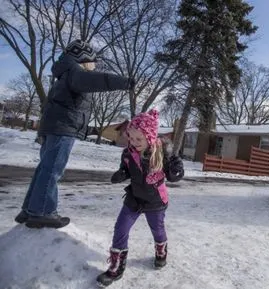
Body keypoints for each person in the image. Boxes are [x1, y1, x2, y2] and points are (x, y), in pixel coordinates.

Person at [15, 40, 135, 229]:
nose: (93, 66)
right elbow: (97, 80)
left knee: (44, 168)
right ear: (83, 59)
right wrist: (124, 82)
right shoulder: (76, 72)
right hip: (63, 128)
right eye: (92, 62)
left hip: (54, 126)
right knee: (53, 170)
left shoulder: (65, 74)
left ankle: (29, 209)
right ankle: (43, 212)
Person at [96, 109, 184, 287]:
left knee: (157, 230)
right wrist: (121, 174)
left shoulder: (162, 154)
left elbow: (173, 177)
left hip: (155, 201)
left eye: (139, 139)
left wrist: (177, 170)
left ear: (150, 138)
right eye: (131, 137)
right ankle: (116, 266)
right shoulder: (128, 153)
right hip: (134, 198)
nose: (134, 142)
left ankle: (161, 251)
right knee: (121, 228)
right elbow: (126, 169)